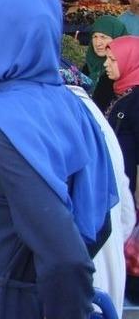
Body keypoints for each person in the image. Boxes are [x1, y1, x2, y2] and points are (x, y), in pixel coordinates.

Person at [0, 0, 117, 319]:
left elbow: (66, 258)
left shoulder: (8, 128)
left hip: (0, 304)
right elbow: (98, 222)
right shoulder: (70, 107)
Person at [62, 69, 136, 316]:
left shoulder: (62, 121)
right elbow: (126, 213)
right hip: (106, 259)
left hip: (77, 270)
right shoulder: (98, 121)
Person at [104, 36, 139, 197]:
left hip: (125, 188)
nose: (106, 64)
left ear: (130, 61)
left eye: (112, 60)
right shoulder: (121, 90)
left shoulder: (136, 99)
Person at [82, 16, 128, 112]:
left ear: (117, 38)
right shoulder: (88, 65)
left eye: (103, 37)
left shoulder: (123, 70)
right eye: (95, 37)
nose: (98, 43)